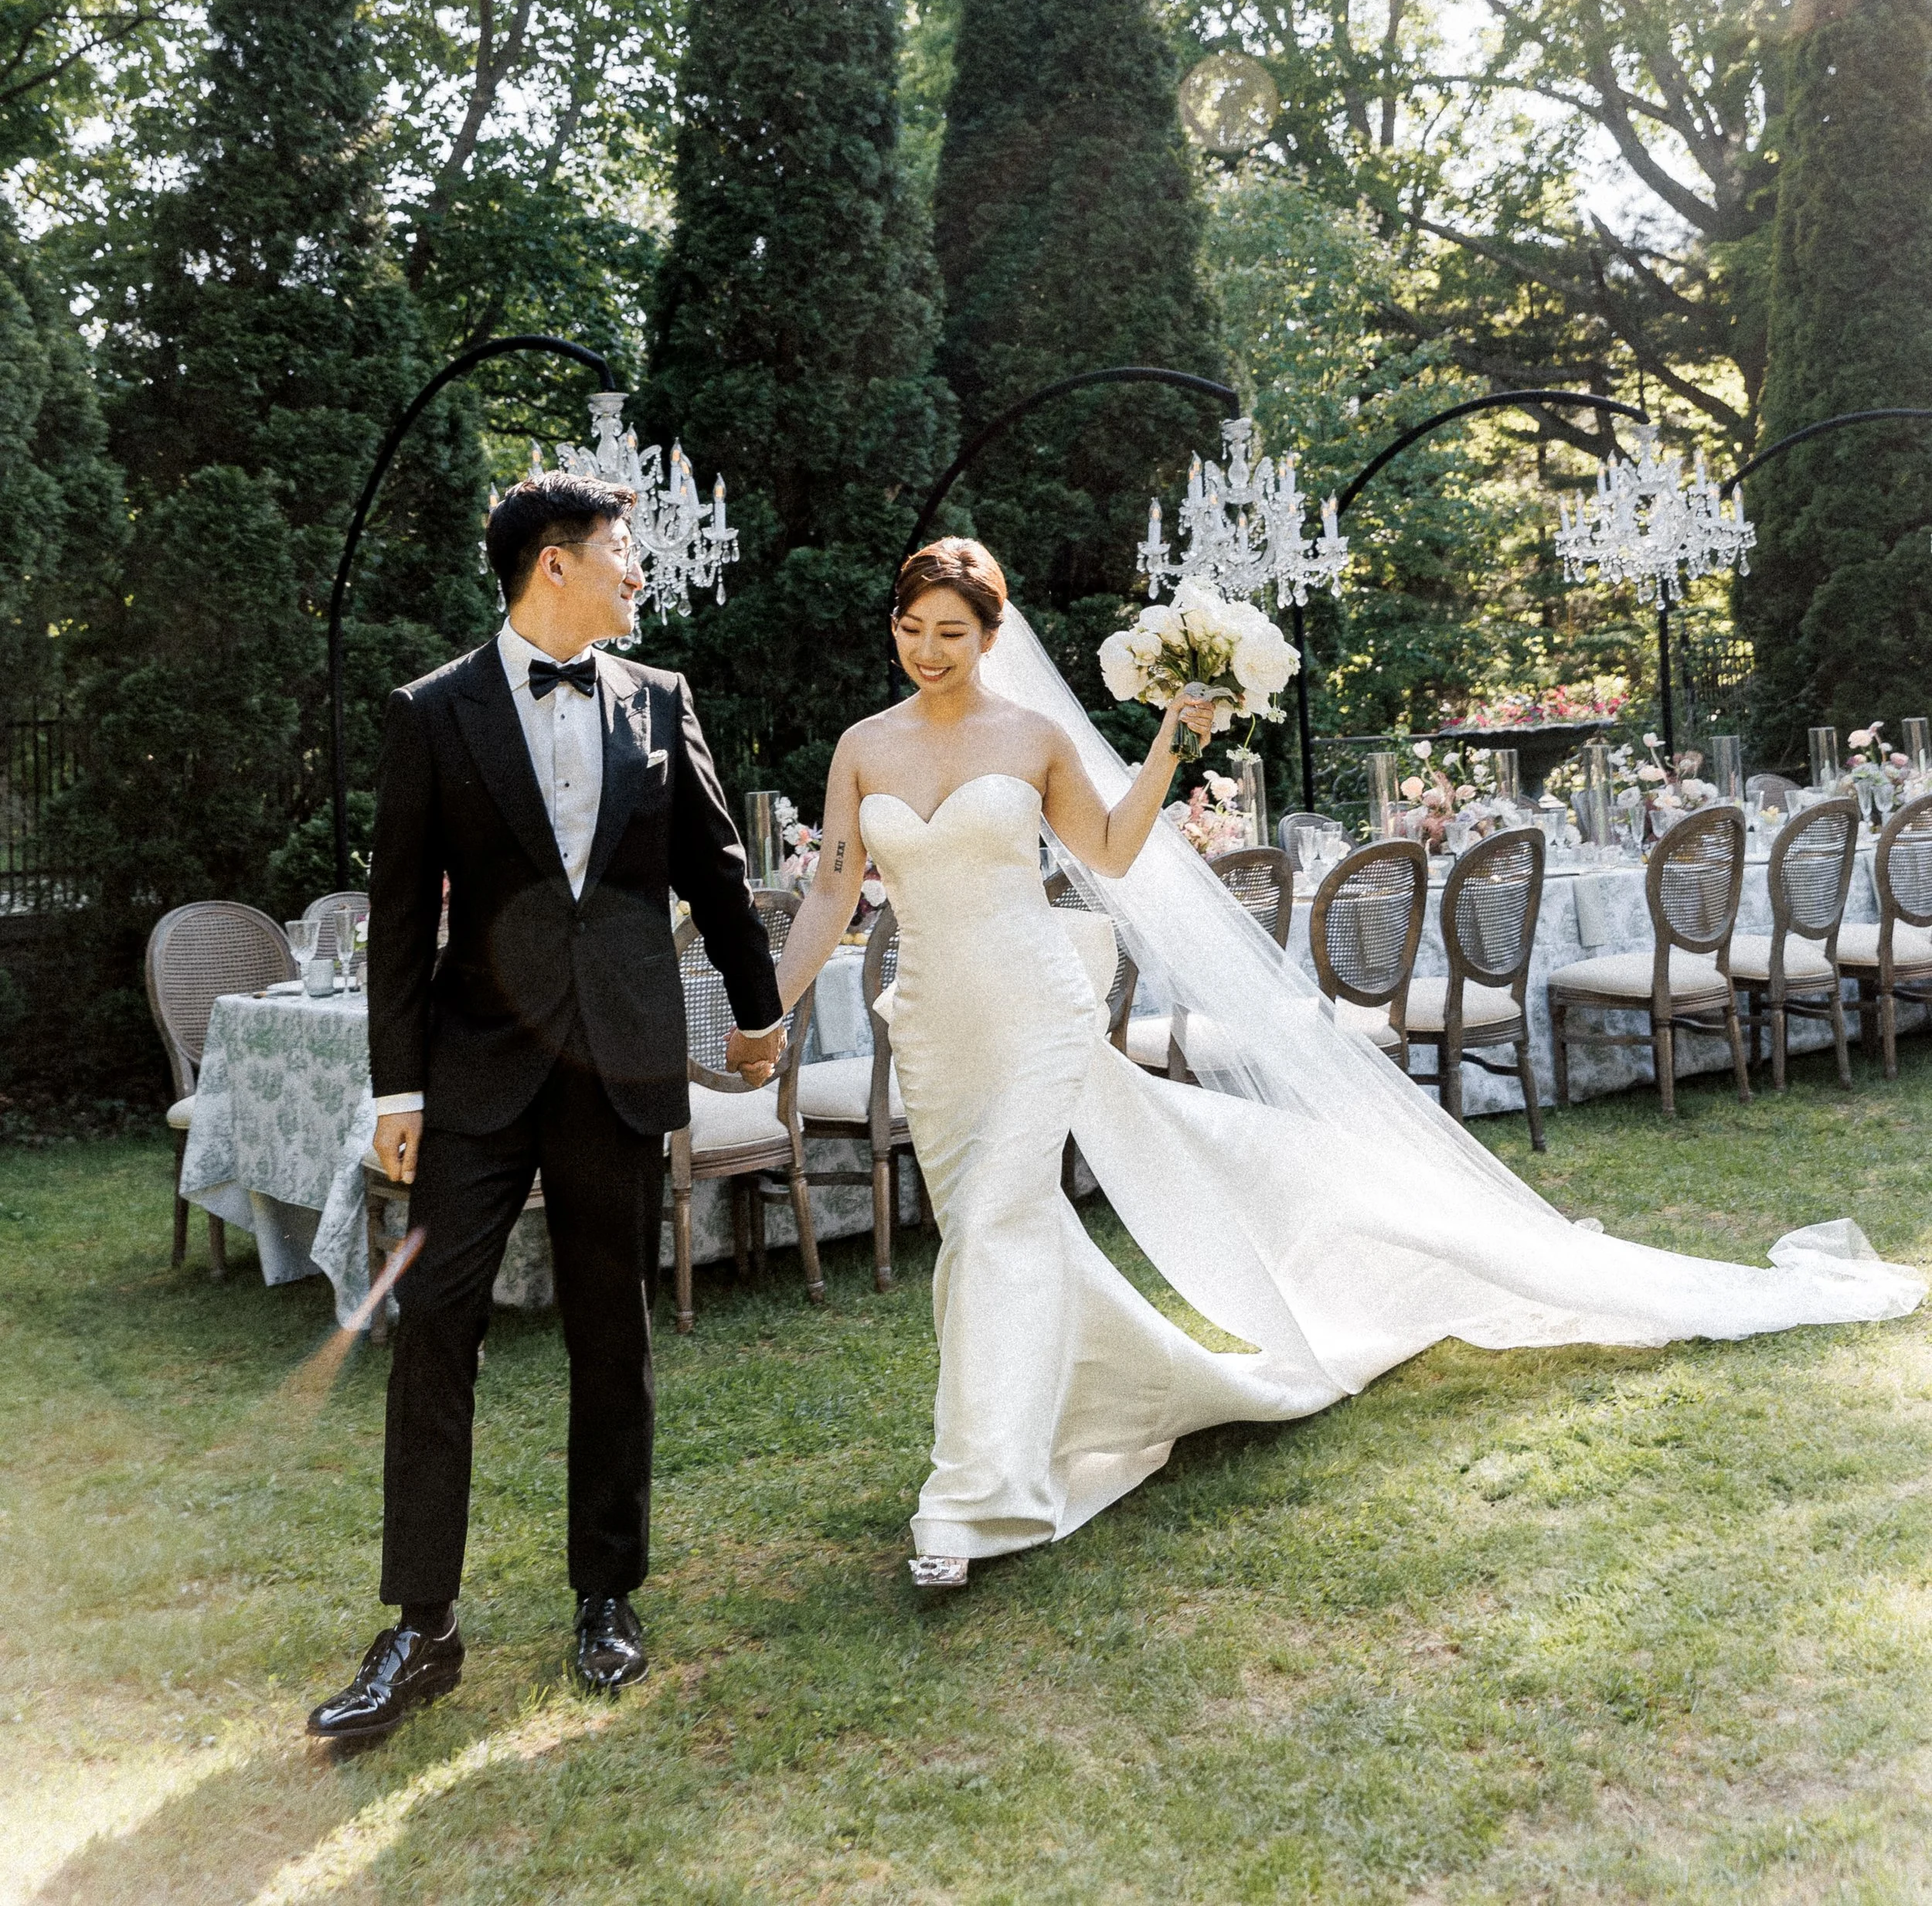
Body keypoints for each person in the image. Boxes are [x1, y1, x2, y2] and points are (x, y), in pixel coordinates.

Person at [747, 536, 1922, 1593]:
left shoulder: (1032, 737)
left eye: (951, 632)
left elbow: (1107, 849)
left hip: (1035, 1012)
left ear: (991, 636)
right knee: (989, 1231)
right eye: (912, 629)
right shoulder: (864, 747)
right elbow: (834, 893)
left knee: (1000, 1221)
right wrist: (768, 1011)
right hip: (936, 1026)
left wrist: (1169, 743)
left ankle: (973, 1498)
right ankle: (1090, 1399)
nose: (929, 650)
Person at [308, 473, 783, 1745]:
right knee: (434, 1325)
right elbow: (398, 918)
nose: (640, 569)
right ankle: (422, 1627)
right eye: (623, 548)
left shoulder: (660, 699)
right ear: (555, 563)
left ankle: (605, 1597)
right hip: (474, 1070)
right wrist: (397, 1086)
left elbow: (716, 869)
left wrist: (757, 1008)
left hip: (616, 1060)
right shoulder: (431, 712)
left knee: (610, 1331)